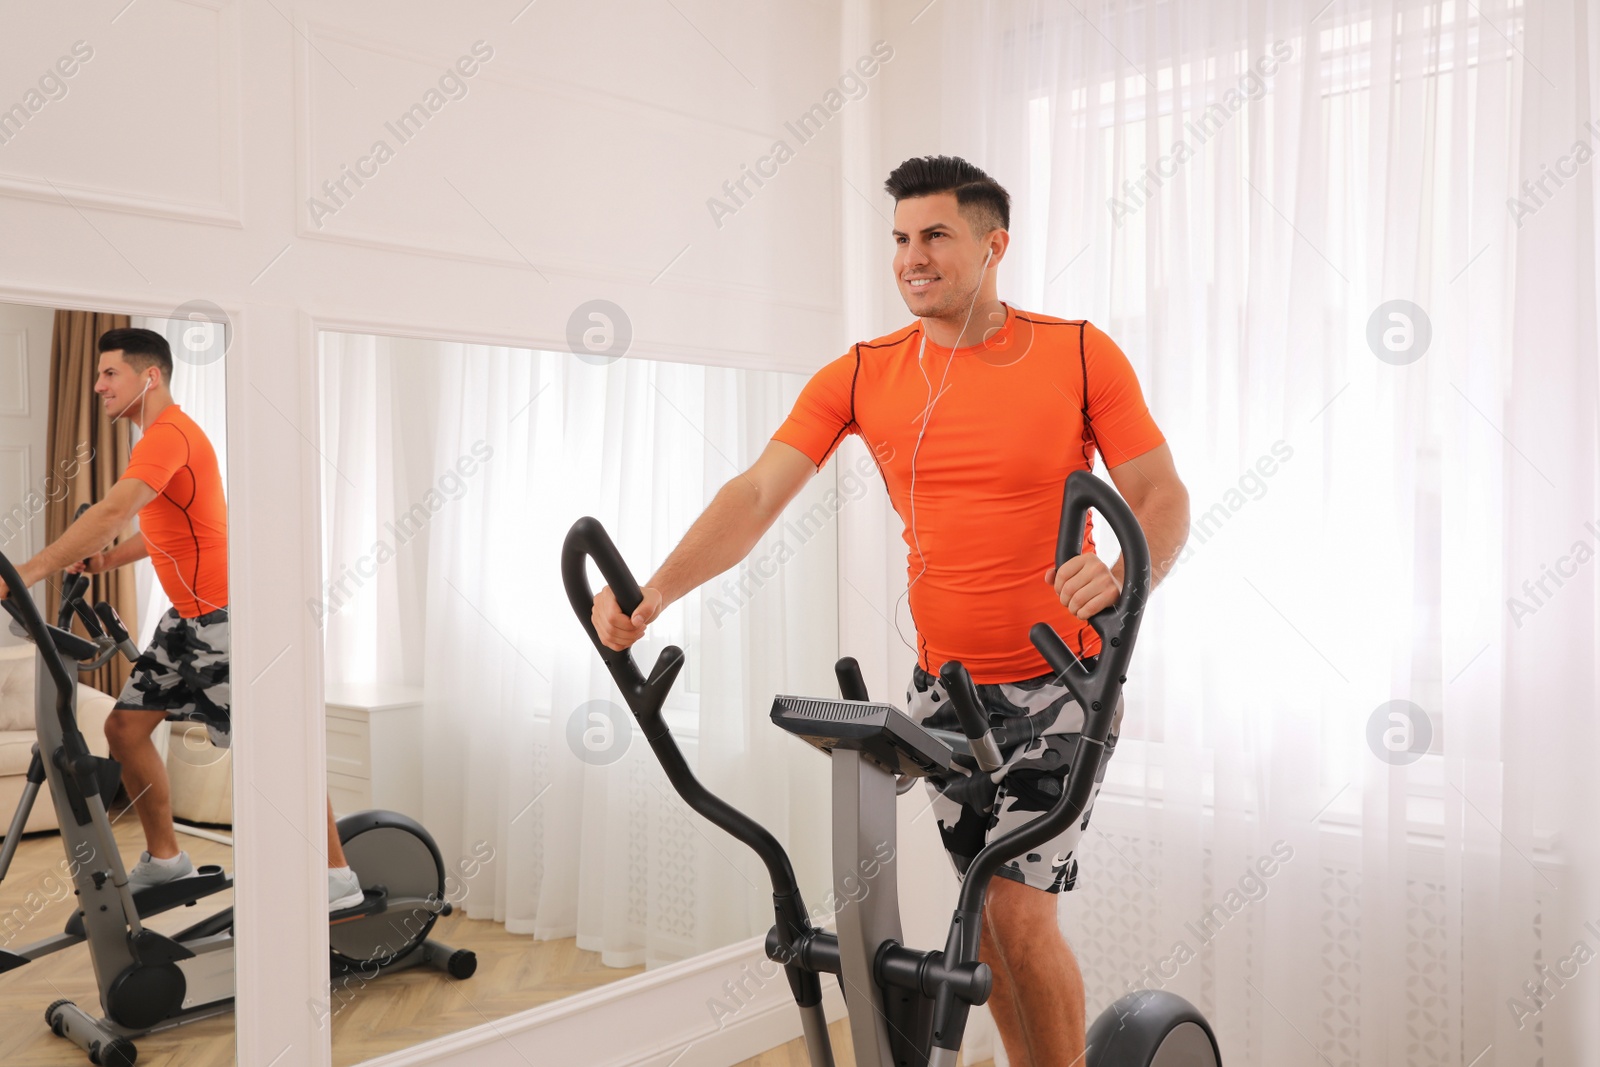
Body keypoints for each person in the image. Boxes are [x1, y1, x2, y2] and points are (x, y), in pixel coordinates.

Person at [591, 156, 1190, 1065]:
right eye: (902, 240)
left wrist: (1120, 572)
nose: (913, 258)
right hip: (945, 690)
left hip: (1063, 684)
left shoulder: (1075, 352)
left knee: (1020, 913)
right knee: (981, 922)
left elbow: (1159, 492)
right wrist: (658, 589)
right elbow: (756, 495)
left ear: (994, 246)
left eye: (936, 236)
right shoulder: (866, 373)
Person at [0, 327, 364, 910]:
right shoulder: (157, 440)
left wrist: (27, 571)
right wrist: (111, 558)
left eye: (109, 374)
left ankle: (335, 876)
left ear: (151, 377)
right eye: (97, 375)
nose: (97, 386)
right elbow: (175, 528)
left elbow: (115, 510)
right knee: (124, 729)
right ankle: (167, 859)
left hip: (228, 616)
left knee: (275, 744)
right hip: (187, 618)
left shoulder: (169, 435)